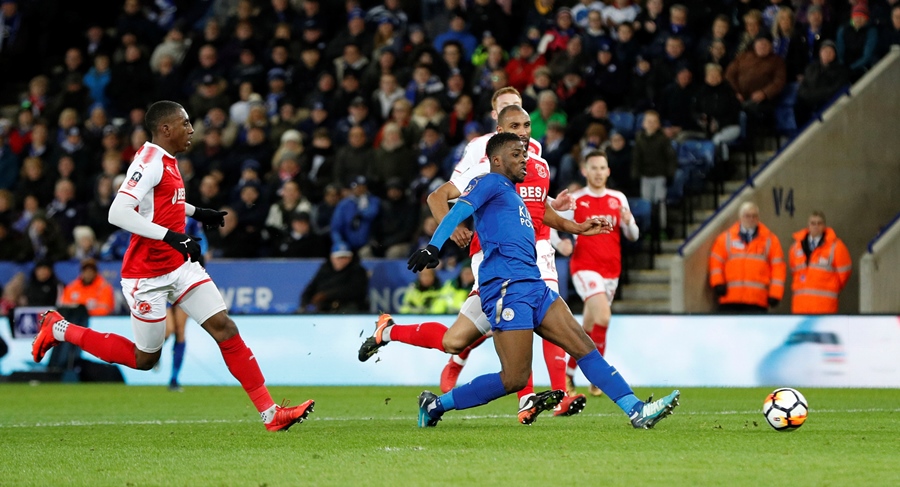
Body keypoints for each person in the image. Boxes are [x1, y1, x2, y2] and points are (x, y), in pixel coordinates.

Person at [31, 100, 314, 432]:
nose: (192, 130)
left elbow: (165, 201)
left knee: (225, 328)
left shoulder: (169, 160)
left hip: (179, 267)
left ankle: (271, 414)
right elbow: (118, 212)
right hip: (146, 275)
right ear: (166, 129)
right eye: (186, 124)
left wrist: (197, 213)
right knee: (145, 359)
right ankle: (60, 328)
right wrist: (171, 236)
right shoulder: (149, 161)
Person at [408, 132, 680, 429]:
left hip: (534, 285)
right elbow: (458, 208)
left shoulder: (512, 194)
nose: (524, 158)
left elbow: (545, 217)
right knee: (514, 378)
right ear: (496, 160)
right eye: (516, 154)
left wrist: (577, 228)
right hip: (506, 289)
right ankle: (435, 405)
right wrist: (433, 246)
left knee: (583, 345)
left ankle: (635, 409)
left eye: (524, 154)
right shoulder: (487, 182)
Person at [360, 101, 589, 425]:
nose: (522, 134)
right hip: (496, 261)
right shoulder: (483, 167)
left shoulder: (536, 164)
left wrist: (564, 217)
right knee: (463, 340)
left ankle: (541, 395)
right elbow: (440, 198)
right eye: (514, 128)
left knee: (473, 336)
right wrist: (449, 234)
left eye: (526, 126)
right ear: (498, 131)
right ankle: (536, 394)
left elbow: (536, 207)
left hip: (532, 251)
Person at [561, 150, 640, 397]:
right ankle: (599, 377)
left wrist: (629, 222)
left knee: (588, 326)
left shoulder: (618, 199)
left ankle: (569, 373)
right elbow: (551, 222)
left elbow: (633, 235)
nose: (598, 172)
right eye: (593, 168)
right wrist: (558, 243)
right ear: (585, 171)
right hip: (584, 266)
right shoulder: (576, 199)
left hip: (611, 270)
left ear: (608, 171)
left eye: (602, 168)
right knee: (604, 317)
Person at [709, 201, 786, 314]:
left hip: (756, 300)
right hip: (730, 298)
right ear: (740, 217)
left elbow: (778, 268)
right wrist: (717, 283)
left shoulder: (770, 240)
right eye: (747, 216)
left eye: (754, 216)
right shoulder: (726, 238)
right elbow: (716, 262)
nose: (751, 219)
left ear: (758, 218)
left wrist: (776, 293)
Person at [788, 211, 852, 314]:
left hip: (825, 307)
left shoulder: (836, 247)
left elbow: (844, 273)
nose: (816, 226)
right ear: (808, 226)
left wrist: (832, 287)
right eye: (813, 223)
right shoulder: (795, 247)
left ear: (824, 226)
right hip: (800, 307)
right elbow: (793, 271)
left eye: (819, 223)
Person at [299, 242, 369, 313]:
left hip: (347, 307)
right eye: (338, 257)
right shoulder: (325, 269)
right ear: (332, 258)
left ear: (350, 258)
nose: (341, 260)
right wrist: (305, 304)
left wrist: (326, 295)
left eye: (345, 257)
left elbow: (354, 291)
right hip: (324, 307)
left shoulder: (357, 270)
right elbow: (310, 288)